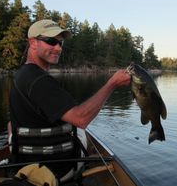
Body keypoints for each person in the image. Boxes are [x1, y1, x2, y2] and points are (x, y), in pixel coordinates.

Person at [8, 19, 131, 181]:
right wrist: (112, 83)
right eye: (51, 41)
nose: (58, 48)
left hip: (23, 164)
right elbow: (81, 119)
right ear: (33, 43)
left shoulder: (22, 74)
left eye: (60, 43)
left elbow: (11, 124)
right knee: (80, 129)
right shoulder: (39, 81)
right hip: (57, 169)